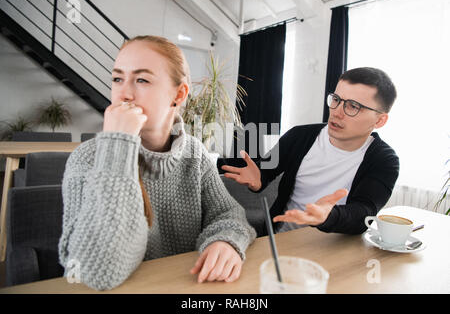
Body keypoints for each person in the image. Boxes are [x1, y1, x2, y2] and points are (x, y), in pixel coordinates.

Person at [58, 35, 256, 291]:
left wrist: (226, 241)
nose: (124, 93)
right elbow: (99, 271)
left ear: (179, 94)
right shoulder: (87, 158)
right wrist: (118, 145)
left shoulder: (194, 153)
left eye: (142, 80)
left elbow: (228, 214)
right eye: (117, 79)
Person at [222, 67, 399, 235]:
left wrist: (328, 215)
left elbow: (364, 213)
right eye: (336, 99)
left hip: (338, 248)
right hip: (282, 237)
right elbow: (265, 172)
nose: (337, 112)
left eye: (353, 106)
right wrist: (258, 179)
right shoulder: (300, 136)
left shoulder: (384, 160)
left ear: (379, 121)